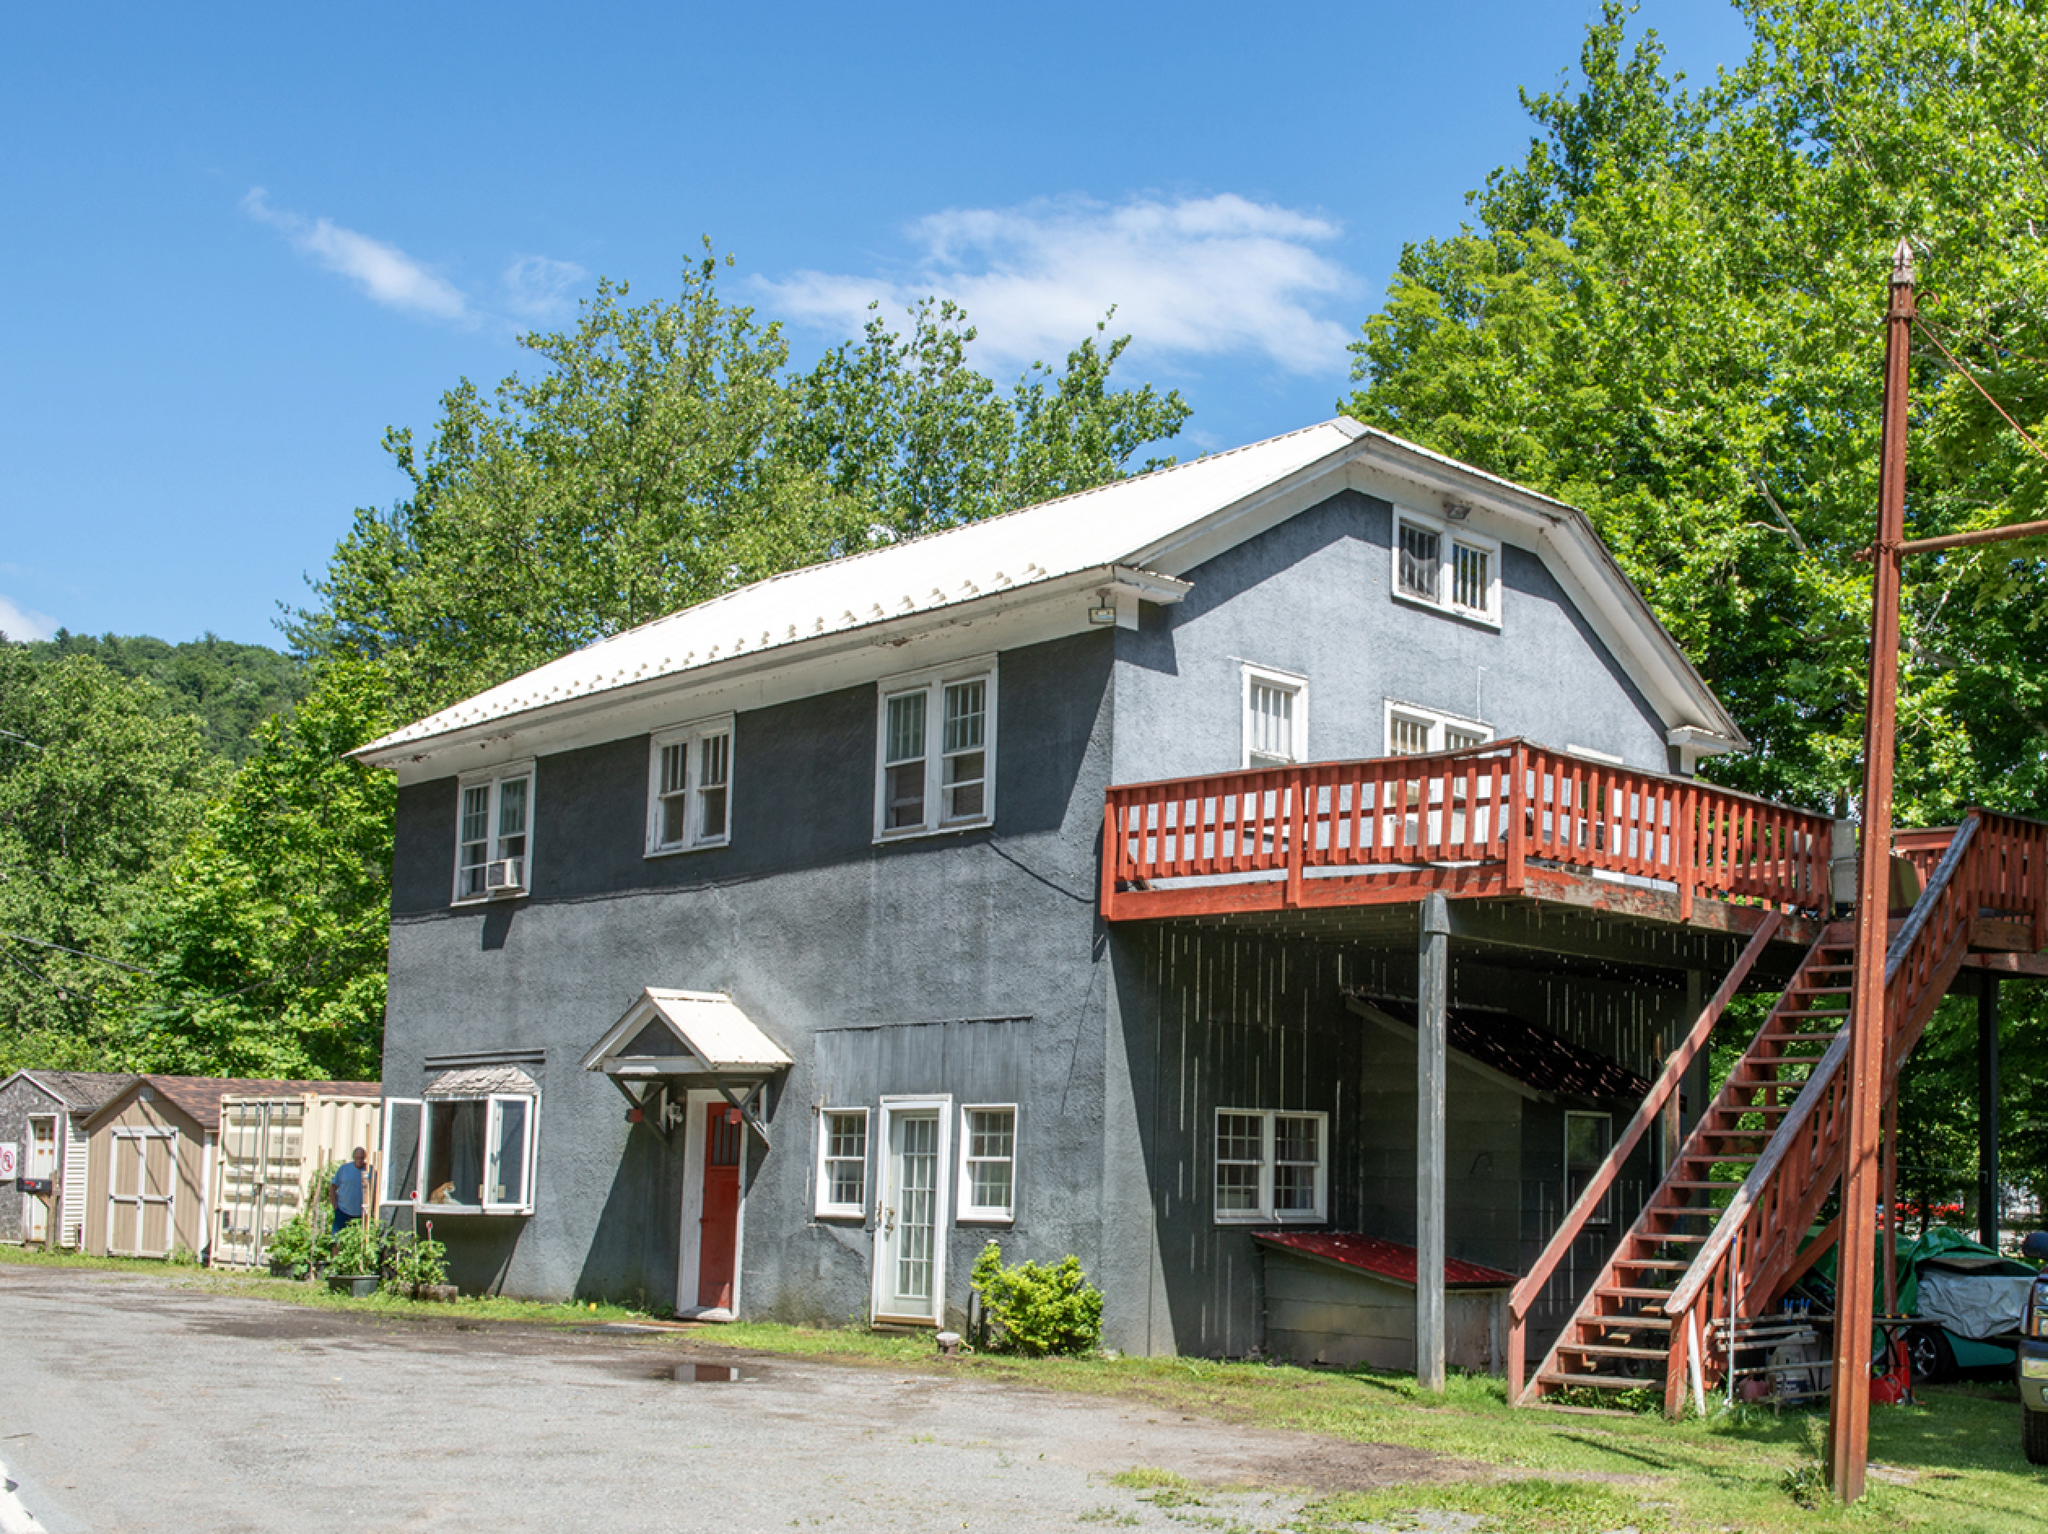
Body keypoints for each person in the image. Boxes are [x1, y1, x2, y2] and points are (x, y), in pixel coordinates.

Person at [330, 1146, 368, 1234]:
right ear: (353, 1158)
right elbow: (332, 1188)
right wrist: (335, 1206)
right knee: (337, 1239)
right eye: (357, 1158)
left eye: (361, 1158)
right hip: (343, 1211)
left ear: (364, 1158)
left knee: (358, 1240)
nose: (359, 1160)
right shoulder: (344, 1169)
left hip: (361, 1213)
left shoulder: (369, 1170)